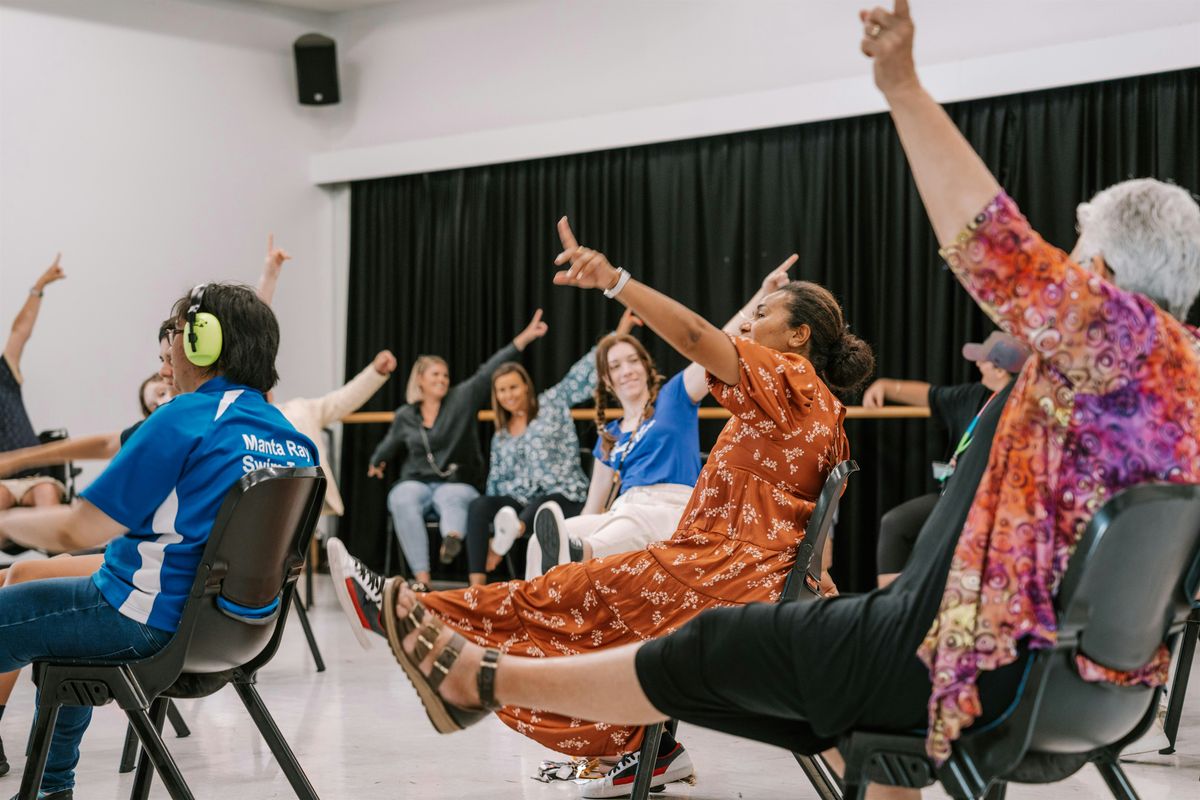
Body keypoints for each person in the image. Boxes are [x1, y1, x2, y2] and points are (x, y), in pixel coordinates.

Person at [348, 6, 1200, 800]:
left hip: (958, 663)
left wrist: (901, 86)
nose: (1061, 278)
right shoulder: (1186, 380)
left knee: (710, 645)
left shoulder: (1113, 336)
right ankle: (496, 665)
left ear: (1105, 282)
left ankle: (480, 680)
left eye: (1077, 257)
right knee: (746, 648)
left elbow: (991, 243)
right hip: (1095, 689)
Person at [328, 217, 872, 796]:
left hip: (729, 575)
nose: (753, 320)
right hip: (742, 573)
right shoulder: (816, 410)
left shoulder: (790, 378)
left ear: (799, 337)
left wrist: (616, 280)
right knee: (579, 586)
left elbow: (694, 337)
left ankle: (407, 613)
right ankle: (651, 751)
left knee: (566, 592)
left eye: (766, 313)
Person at [0, 282, 317, 800]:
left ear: (202, 342)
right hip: (237, 635)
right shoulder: (289, 438)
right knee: (64, 617)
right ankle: (50, 788)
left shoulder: (186, 417)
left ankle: (52, 787)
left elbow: (78, 528)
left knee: (48, 611)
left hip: (144, 625)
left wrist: (6, 523)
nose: (168, 346)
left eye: (175, 332)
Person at [525, 255, 802, 580]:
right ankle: (532, 614)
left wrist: (762, 294)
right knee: (541, 540)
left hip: (673, 509)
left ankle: (581, 551)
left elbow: (721, 340)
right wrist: (571, 528)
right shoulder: (610, 435)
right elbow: (593, 507)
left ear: (646, 367)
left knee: (629, 525)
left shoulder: (674, 396)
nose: (626, 370)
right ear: (607, 381)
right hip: (623, 511)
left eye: (632, 361)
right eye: (615, 366)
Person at [459, 310, 642, 586]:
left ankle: (502, 544)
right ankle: (476, 588)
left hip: (563, 494)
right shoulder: (502, 435)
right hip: (518, 501)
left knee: (541, 506)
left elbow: (585, 372)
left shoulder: (551, 404)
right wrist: (493, 511)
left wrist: (621, 330)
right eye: (502, 391)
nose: (509, 395)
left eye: (513, 388)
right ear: (497, 397)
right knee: (478, 505)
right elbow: (496, 480)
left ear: (526, 387)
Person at [367, 312, 549, 588]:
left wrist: (524, 338)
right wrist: (377, 461)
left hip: (455, 481)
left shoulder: (461, 398)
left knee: (453, 496)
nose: (442, 378)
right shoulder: (406, 415)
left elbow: (489, 370)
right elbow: (390, 442)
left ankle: (452, 537)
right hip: (416, 481)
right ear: (420, 381)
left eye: (445, 374)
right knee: (401, 497)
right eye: (435, 374)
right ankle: (422, 580)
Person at [862, 331, 1030, 587]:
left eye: (983, 360)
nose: (977, 364)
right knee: (895, 524)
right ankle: (890, 606)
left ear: (999, 370)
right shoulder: (976, 396)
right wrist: (886, 386)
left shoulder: (1022, 410)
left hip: (984, 505)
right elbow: (930, 395)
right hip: (951, 496)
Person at [0, 256, 68, 513]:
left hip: (36, 478)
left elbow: (20, 331)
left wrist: (39, 286)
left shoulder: (4, 373)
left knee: (46, 492)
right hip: (1, 484)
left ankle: (58, 555)